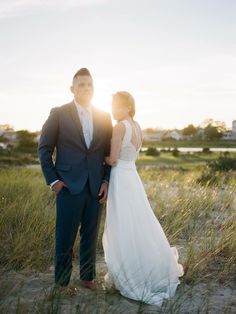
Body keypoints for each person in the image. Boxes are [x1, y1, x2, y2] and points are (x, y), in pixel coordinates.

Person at [102, 91, 184, 306]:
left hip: (121, 178)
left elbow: (112, 159)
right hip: (132, 177)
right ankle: (146, 265)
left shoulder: (120, 127)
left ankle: (130, 271)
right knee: (138, 222)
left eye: (117, 106)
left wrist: (96, 156)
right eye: (112, 105)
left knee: (123, 225)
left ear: (128, 107)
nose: (113, 110)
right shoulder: (137, 127)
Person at [38, 68, 112, 293]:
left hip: (94, 186)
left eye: (89, 85)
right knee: (65, 235)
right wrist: (54, 181)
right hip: (68, 185)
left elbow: (108, 153)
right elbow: (44, 149)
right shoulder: (59, 113)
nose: (86, 88)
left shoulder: (104, 116)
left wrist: (106, 181)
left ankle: (87, 277)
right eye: (81, 85)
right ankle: (61, 282)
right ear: (72, 88)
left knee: (90, 235)